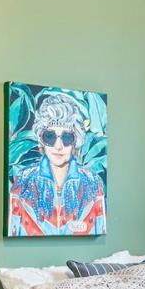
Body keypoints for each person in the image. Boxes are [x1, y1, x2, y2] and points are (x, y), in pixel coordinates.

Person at [8, 92, 105, 235]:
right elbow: (13, 230)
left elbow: (100, 227)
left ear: (75, 143)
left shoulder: (91, 183)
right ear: (41, 140)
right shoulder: (24, 182)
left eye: (67, 138)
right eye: (50, 136)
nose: (58, 146)